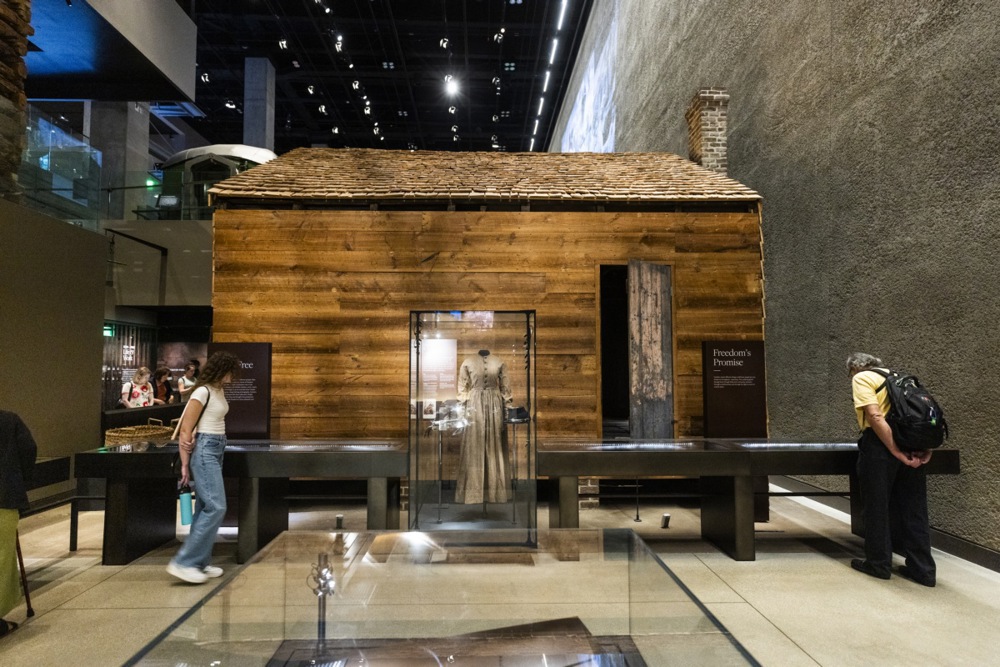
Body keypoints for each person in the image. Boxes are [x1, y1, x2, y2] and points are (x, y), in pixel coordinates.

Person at [846, 352, 936, 586]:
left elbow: (875, 415)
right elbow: (924, 415)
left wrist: (894, 451)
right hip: (912, 444)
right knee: (914, 508)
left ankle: (878, 564)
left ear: (854, 368)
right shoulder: (901, 378)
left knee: (876, 506)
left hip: (880, 447)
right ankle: (923, 570)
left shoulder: (862, 378)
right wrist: (924, 448)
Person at [166, 351, 240, 584]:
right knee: (217, 506)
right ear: (221, 370)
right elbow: (186, 430)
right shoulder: (202, 391)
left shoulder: (217, 390)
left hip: (216, 448)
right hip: (206, 449)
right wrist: (184, 464)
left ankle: (200, 562)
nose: (232, 377)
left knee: (204, 507)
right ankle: (184, 562)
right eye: (230, 372)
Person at [454, 349, 512, 504]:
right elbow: (462, 388)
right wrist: (461, 412)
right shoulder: (468, 362)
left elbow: (505, 388)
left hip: (495, 405)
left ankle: (496, 492)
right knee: (474, 444)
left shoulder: (499, 362)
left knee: (495, 445)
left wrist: (507, 410)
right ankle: (473, 494)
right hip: (474, 405)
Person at [0, 411, 37, 638]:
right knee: (2, 559)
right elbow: (29, 449)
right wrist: (19, 480)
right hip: (4, 498)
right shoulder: (9, 420)